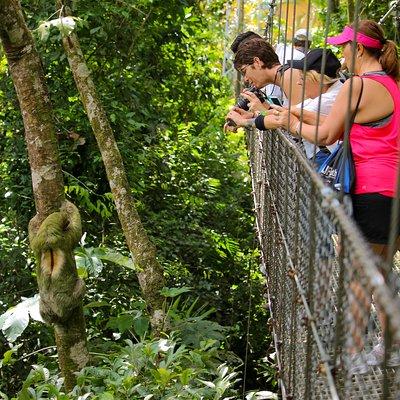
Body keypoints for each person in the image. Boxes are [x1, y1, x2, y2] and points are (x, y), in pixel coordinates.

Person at [272, 20, 400, 373]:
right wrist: (294, 113)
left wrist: (283, 123)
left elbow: (327, 136)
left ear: (358, 49)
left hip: (371, 189)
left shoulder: (357, 84)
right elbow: (340, 126)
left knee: (357, 276)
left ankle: (355, 356)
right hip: (391, 190)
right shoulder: (390, 84)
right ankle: (390, 349)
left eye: (343, 46)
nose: (340, 53)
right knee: (381, 273)